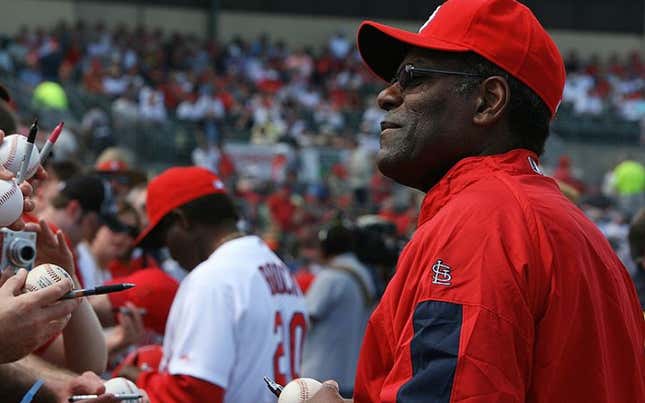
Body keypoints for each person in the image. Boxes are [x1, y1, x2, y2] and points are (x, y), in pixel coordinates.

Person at [309, 0, 645, 402]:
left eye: (412, 77)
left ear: (488, 101)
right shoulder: (582, 234)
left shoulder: (481, 224)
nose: (386, 95)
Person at [116, 166, 308, 403]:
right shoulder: (278, 269)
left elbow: (192, 394)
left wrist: (138, 380)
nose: (169, 250)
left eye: (165, 237)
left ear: (182, 221)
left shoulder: (213, 279)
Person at [302, 223, 375, 396]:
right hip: (351, 374)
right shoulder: (363, 272)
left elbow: (304, 320)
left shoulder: (330, 277)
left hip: (320, 375)